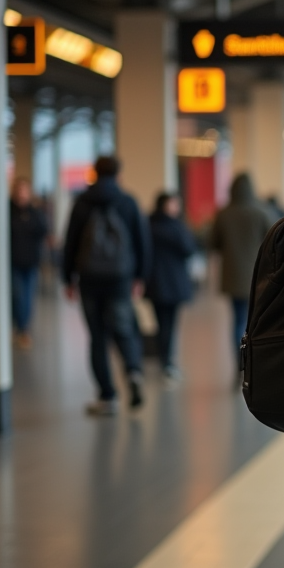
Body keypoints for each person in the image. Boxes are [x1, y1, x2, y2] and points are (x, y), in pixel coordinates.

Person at [61, 155, 151, 416]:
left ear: (94, 173)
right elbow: (141, 242)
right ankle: (133, 372)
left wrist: (68, 279)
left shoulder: (82, 202)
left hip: (89, 279)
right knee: (124, 330)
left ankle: (107, 397)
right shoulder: (127, 202)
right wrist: (140, 277)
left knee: (97, 337)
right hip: (120, 279)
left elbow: (71, 242)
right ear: (118, 174)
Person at [210, 173, 276, 363]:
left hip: (232, 276)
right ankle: (253, 362)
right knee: (255, 320)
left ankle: (239, 361)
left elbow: (214, 243)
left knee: (237, 320)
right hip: (258, 276)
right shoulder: (261, 211)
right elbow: (274, 239)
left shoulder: (223, 214)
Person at [146, 192, 197, 381]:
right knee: (169, 324)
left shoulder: (148, 225)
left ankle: (164, 360)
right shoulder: (175, 227)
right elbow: (189, 248)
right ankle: (167, 363)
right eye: (173, 204)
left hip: (154, 282)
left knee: (161, 324)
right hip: (172, 282)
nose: (177, 207)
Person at [10, 177, 48, 349]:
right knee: (17, 296)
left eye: (25, 191)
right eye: (19, 191)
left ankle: (24, 329)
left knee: (27, 296)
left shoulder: (35, 212)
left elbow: (44, 230)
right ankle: (20, 327)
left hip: (31, 261)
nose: (22, 195)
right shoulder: (8, 211)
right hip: (14, 261)